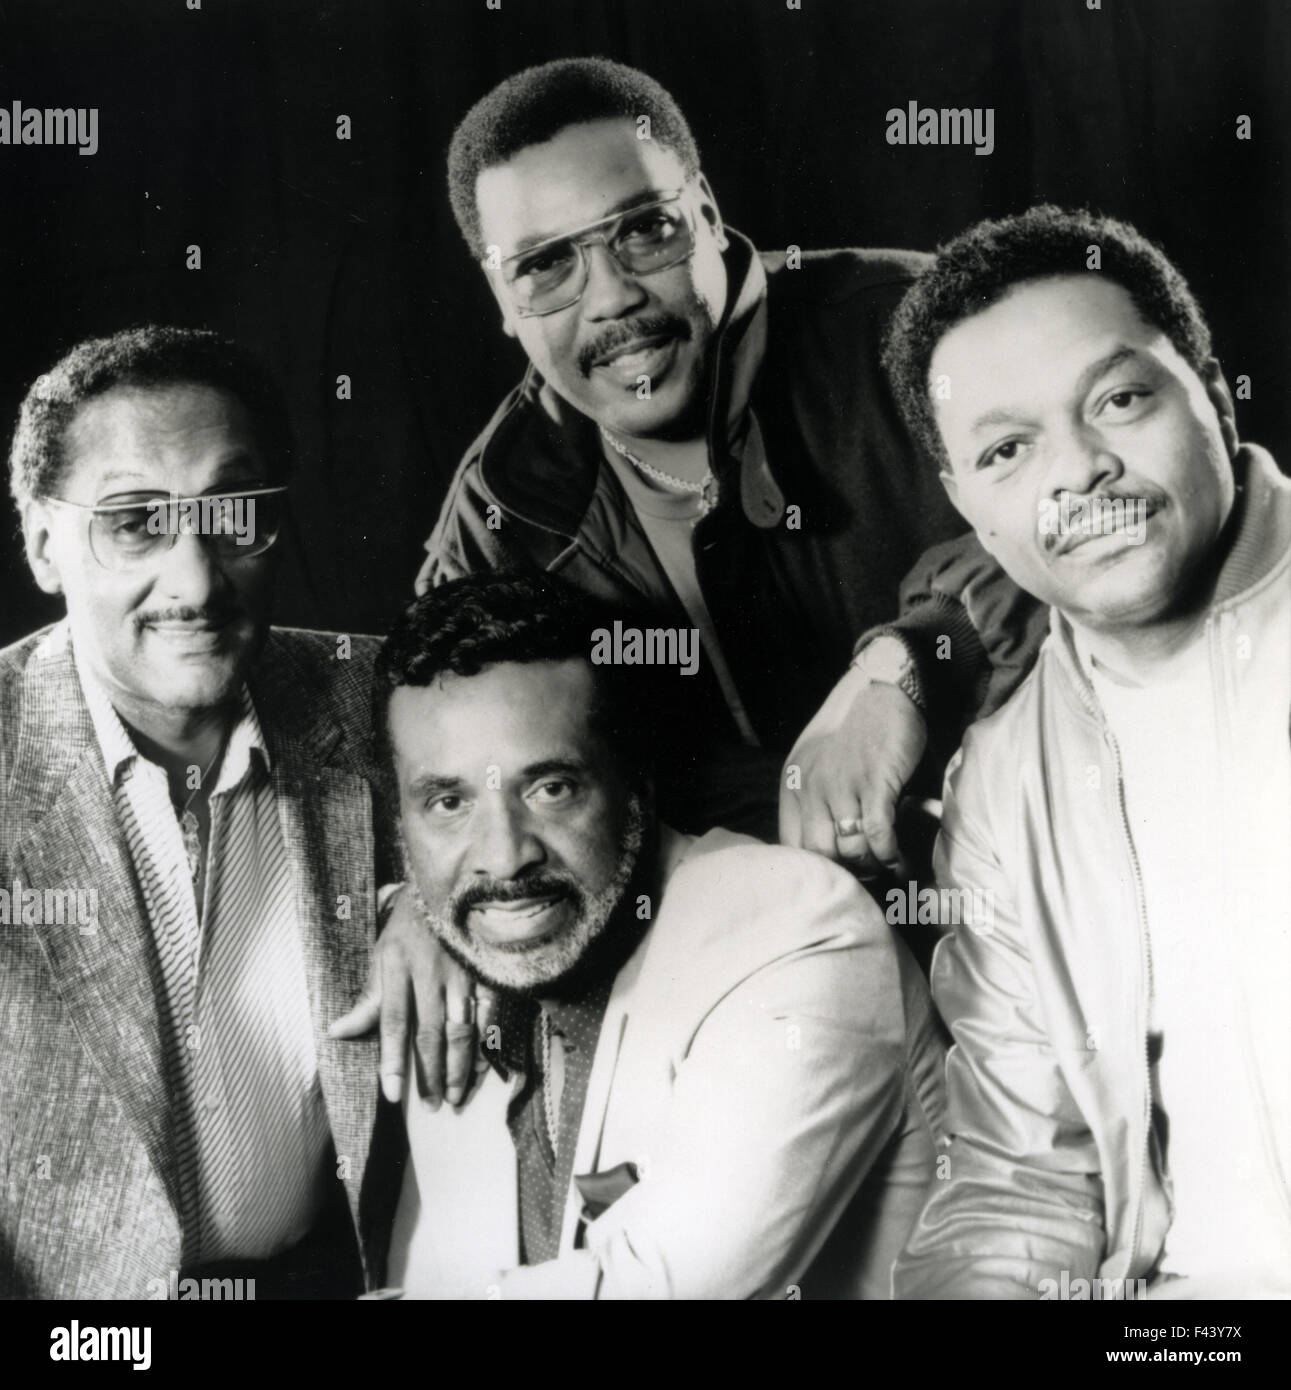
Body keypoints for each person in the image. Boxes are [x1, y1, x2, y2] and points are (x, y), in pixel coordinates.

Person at [418, 55, 1029, 861]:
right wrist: (419, 905)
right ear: (503, 301)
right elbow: (438, 739)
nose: (611, 299)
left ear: (704, 212)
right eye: (544, 265)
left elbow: (1120, 512)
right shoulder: (502, 504)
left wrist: (909, 665)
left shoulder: (917, 331)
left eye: (643, 229)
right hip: (761, 943)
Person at [881, 206, 1291, 1299]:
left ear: (1210, 384)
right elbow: (1020, 1183)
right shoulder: (1006, 783)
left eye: (1118, 399)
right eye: (1008, 449)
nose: (1080, 473)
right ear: (966, 502)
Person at [374, 572, 945, 1299]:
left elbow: (656, 1289)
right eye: (448, 802)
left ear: (635, 785)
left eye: (550, 788)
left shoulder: (798, 927)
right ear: (402, 827)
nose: (503, 854)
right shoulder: (456, 965)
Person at [0, 326, 406, 1298]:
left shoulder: (384, 702)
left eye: (233, 513)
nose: (195, 581)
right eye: (135, 520)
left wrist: (430, 909)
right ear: (43, 542)